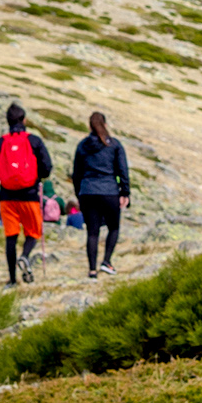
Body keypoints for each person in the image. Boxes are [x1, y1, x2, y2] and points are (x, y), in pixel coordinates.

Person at [0, 102, 53, 287]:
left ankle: (13, 280)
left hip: (7, 197)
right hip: (29, 195)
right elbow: (47, 168)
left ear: (7, 121)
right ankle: (25, 256)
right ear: (24, 120)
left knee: (10, 237)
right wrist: (37, 176)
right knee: (34, 232)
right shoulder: (34, 141)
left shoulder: (0, 143)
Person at [70, 112, 131, 278]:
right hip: (109, 191)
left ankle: (92, 270)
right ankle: (106, 261)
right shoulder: (114, 145)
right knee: (114, 227)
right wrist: (125, 191)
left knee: (92, 232)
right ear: (105, 124)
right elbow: (122, 170)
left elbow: (76, 174)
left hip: (87, 191)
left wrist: (79, 193)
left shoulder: (82, 146)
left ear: (89, 126)